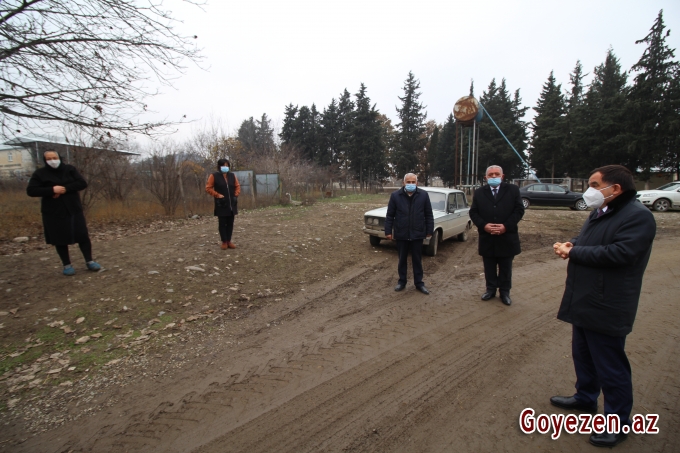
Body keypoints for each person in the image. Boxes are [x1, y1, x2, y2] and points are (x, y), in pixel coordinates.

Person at [550, 165, 656, 448]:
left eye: (595, 185)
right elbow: (589, 239)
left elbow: (621, 253)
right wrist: (573, 243)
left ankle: (617, 422)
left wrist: (576, 251)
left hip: (608, 303)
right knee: (583, 355)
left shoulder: (638, 217)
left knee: (610, 366)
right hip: (586, 298)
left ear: (615, 189)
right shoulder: (602, 211)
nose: (590, 190)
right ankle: (585, 398)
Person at [26, 150, 101, 276]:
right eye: (49, 158)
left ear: (59, 158)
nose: (52, 160)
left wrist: (65, 189)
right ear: (45, 160)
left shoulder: (69, 169)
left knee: (82, 235)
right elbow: (31, 190)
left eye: (54, 157)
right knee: (59, 238)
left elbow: (82, 183)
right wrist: (51, 190)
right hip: (53, 212)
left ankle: (89, 261)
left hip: (73, 209)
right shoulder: (40, 173)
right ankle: (67, 265)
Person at [469, 165, 524, 306]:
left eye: (496, 174)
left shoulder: (512, 190)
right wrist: (484, 225)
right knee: (489, 266)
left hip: (506, 236)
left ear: (502, 176)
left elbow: (519, 210)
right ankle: (490, 289)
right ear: (486, 177)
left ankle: (505, 292)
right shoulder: (480, 192)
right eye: (491, 174)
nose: (494, 177)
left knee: (506, 267)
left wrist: (506, 226)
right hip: (487, 237)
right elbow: (473, 212)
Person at [384, 173, 434, 295]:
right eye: (408, 182)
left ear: (417, 183)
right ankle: (402, 281)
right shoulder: (396, 196)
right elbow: (390, 215)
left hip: (417, 233)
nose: (410, 184)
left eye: (413, 182)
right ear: (403, 183)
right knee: (402, 259)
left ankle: (419, 283)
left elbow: (428, 214)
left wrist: (429, 230)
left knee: (417, 259)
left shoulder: (423, 195)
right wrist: (388, 231)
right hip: (401, 233)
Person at [205, 159, 241, 250]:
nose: (225, 167)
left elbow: (237, 186)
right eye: (223, 165)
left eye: (227, 165)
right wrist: (217, 195)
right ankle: (224, 241)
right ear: (219, 166)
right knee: (222, 223)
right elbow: (208, 188)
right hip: (221, 203)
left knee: (230, 223)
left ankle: (229, 240)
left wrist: (236, 194)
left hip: (231, 203)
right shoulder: (214, 176)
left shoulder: (232, 175)